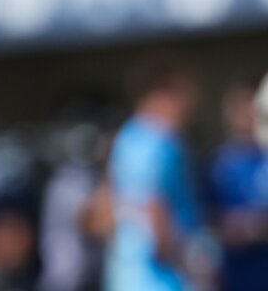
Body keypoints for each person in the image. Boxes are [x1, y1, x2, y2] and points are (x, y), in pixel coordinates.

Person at [105, 57, 205, 291]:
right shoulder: (157, 142)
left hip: (131, 276)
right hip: (160, 280)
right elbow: (153, 205)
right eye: (184, 94)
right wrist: (185, 262)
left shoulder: (128, 138)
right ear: (161, 93)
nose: (190, 105)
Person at [208, 78, 268, 291]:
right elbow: (206, 221)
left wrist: (255, 227)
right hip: (236, 277)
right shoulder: (218, 163)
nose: (246, 116)